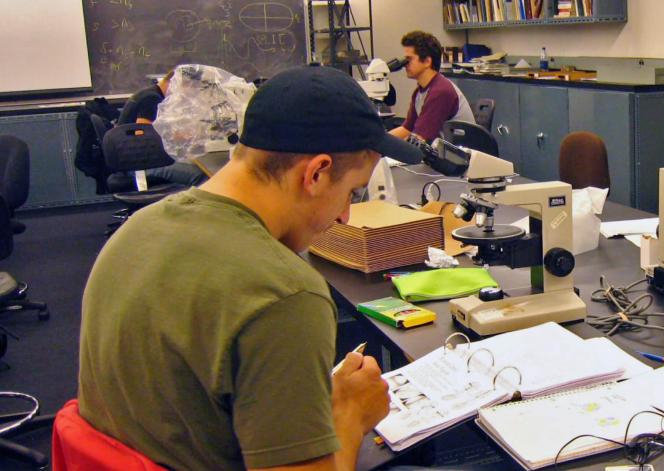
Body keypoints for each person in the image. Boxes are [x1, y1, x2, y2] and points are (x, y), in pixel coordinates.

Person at [78, 65, 415, 470]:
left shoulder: (136, 232)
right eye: (350, 192)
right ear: (316, 173)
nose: (345, 215)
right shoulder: (284, 294)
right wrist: (350, 415)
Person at [117, 66, 209, 187]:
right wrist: (184, 137)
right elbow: (143, 137)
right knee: (201, 175)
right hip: (139, 165)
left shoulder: (151, 94)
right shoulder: (152, 99)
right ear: (174, 83)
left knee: (191, 163)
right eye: (189, 88)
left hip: (135, 160)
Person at [388, 30, 475, 142]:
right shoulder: (420, 92)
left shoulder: (440, 91)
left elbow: (419, 140)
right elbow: (407, 129)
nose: (405, 65)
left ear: (427, 61)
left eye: (409, 59)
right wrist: (376, 142)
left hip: (461, 154)